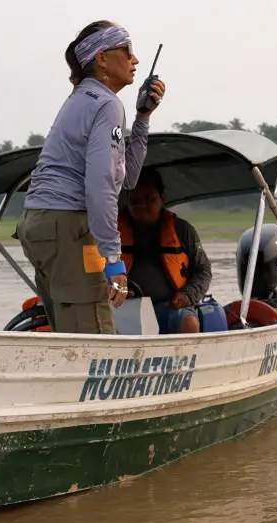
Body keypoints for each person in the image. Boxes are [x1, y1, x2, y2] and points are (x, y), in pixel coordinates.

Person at [14, 21, 165, 334]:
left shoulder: (82, 98)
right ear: (102, 59)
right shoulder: (107, 104)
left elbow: (129, 179)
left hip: (39, 224)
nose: (135, 60)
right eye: (127, 51)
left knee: (70, 333)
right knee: (94, 340)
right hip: (67, 226)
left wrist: (143, 118)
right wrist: (113, 258)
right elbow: (101, 185)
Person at [119, 166, 213, 333]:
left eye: (150, 200)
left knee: (189, 323)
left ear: (163, 198)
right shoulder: (110, 232)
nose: (143, 207)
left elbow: (203, 271)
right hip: (125, 307)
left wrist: (188, 294)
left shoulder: (183, 230)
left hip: (170, 307)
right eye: (136, 201)